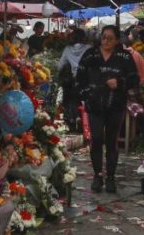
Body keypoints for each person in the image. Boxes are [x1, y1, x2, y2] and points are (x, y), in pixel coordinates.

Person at [75, 24, 139, 193]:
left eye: (110, 38)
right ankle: (97, 175)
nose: (106, 41)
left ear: (117, 40)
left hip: (115, 105)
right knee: (96, 139)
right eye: (104, 37)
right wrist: (86, 95)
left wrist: (119, 83)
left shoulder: (124, 57)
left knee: (111, 141)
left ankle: (110, 177)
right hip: (94, 105)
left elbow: (134, 79)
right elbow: (80, 78)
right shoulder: (91, 54)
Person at [57, 29, 91, 130]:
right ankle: (85, 123)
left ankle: (73, 119)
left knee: (73, 99)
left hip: (74, 78)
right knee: (85, 101)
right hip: (87, 79)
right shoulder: (89, 48)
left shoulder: (67, 49)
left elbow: (60, 66)